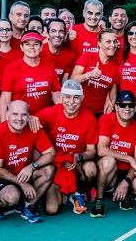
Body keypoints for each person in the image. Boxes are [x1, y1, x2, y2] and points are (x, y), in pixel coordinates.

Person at [0, 100, 55, 223]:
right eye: (15, 114)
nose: (19, 119)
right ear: (7, 115)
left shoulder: (32, 128)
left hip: (21, 172)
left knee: (49, 170)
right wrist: (22, 183)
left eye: (23, 115)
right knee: (12, 197)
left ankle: (28, 206)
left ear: (29, 116)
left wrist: (32, 166)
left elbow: (51, 153)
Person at [36, 80, 99, 215]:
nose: (71, 101)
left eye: (76, 97)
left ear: (82, 98)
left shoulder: (89, 118)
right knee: (51, 210)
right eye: (67, 97)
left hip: (76, 165)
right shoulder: (48, 114)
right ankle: (60, 192)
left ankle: (79, 192)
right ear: (61, 97)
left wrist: (78, 156)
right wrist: (30, 119)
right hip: (55, 165)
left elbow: (92, 151)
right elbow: (31, 128)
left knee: (91, 169)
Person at [95, 90, 136, 215]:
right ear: (116, 107)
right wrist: (129, 158)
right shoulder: (106, 119)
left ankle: (125, 191)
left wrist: (126, 181)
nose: (127, 108)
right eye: (123, 105)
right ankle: (99, 200)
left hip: (126, 172)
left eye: (131, 105)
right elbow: (101, 150)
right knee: (108, 161)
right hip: (110, 171)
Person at [0, 31, 58, 122]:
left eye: (36, 44)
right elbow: (5, 99)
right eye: (27, 44)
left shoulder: (49, 66)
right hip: (20, 120)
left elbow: (56, 95)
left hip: (43, 119)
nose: (32, 47)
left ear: (41, 47)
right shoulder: (12, 67)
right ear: (21, 47)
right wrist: (3, 123)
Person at [71, 30, 121, 115]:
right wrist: (89, 75)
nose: (112, 45)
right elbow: (72, 80)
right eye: (108, 42)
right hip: (79, 110)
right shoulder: (87, 56)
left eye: (115, 41)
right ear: (99, 44)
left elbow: (113, 92)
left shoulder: (115, 67)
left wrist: (111, 106)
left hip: (100, 112)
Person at [39, 17, 79, 82]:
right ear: (48, 34)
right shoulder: (39, 52)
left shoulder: (70, 55)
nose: (57, 35)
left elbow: (64, 82)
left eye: (61, 31)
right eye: (53, 31)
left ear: (65, 35)